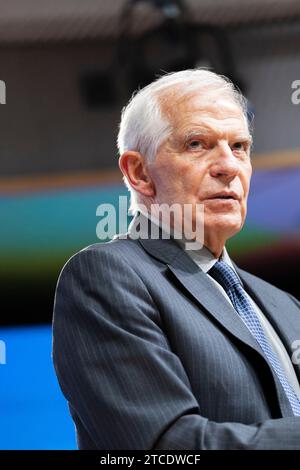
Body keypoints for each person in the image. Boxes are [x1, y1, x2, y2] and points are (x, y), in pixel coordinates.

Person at [52, 69, 300, 450]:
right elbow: (164, 447)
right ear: (139, 172)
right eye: (198, 144)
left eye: (239, 146)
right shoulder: (107, 276)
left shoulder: (285, 306)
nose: (229, 166)